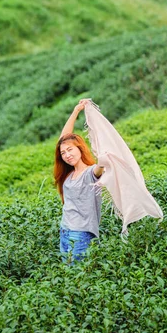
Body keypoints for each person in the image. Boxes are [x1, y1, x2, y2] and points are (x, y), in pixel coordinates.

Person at [53, 99, 104, 263]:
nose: (67, 155)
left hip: (81, 233)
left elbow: (102, 164)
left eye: (70, 150)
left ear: (80, 149)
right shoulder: (68, 174)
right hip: (65, 230)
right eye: (63, 153)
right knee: (68, 278)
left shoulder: (91, 172)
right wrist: (76, 111)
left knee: (77, 276)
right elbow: (63, 140)